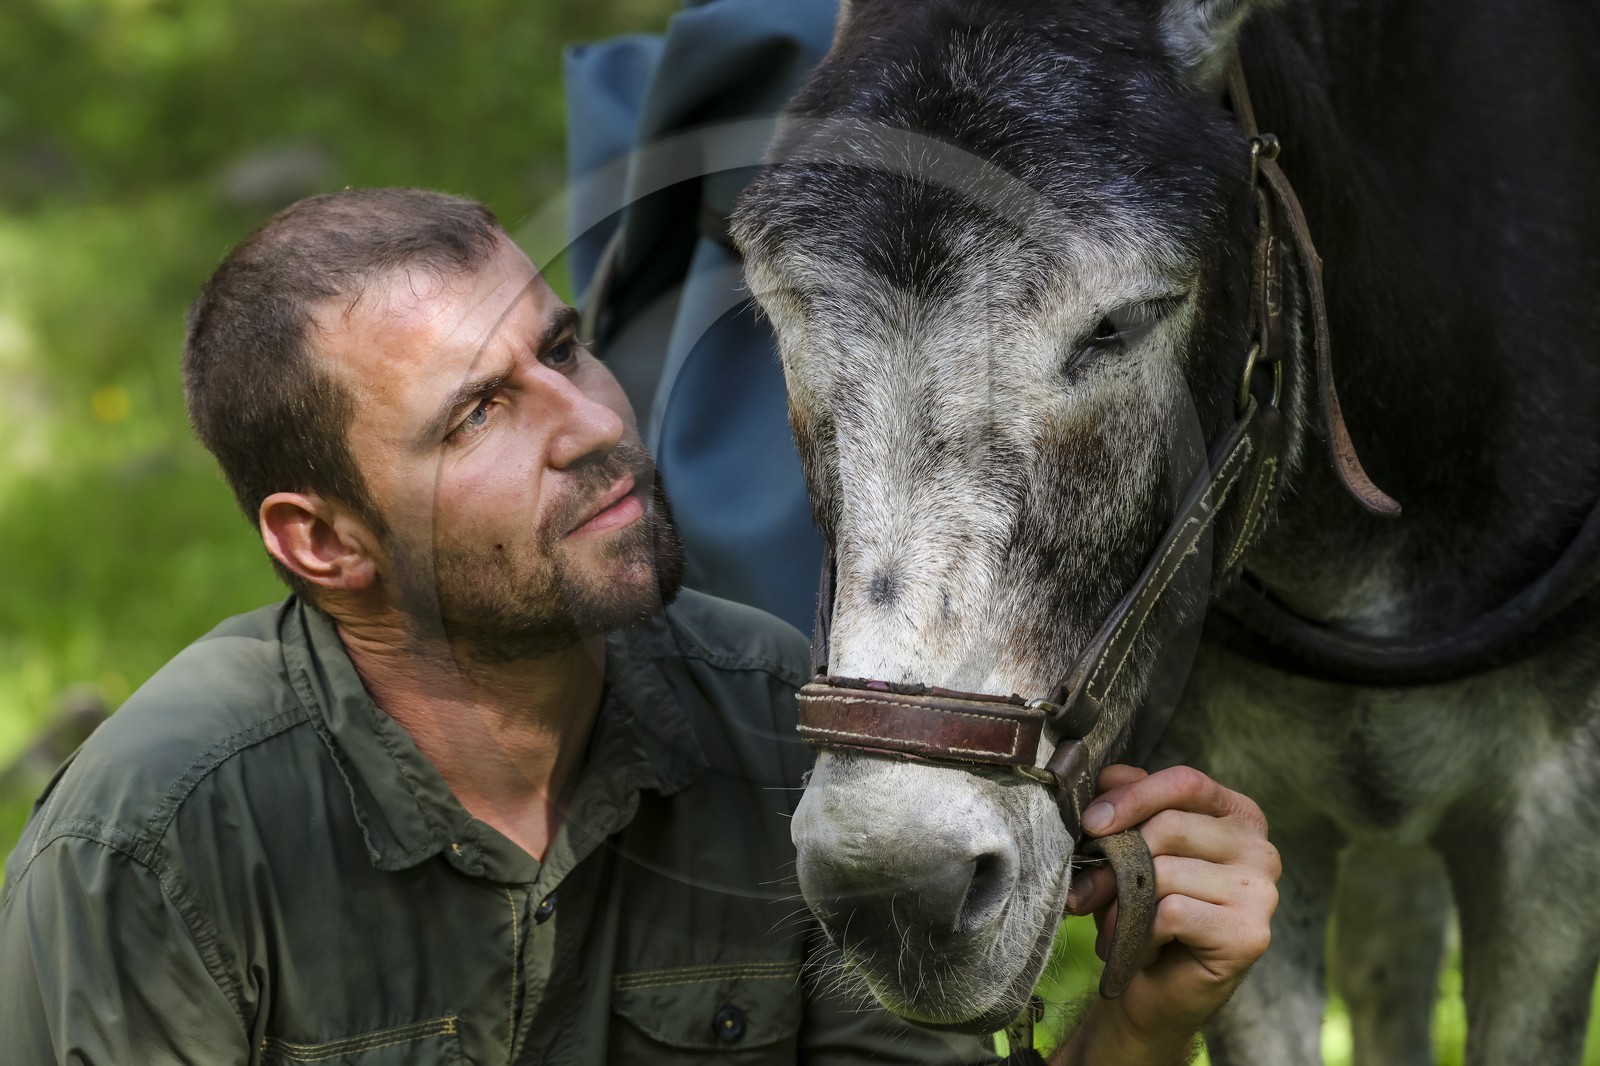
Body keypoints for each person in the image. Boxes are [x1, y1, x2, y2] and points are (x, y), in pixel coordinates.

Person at [0, 188, 1277, 1064]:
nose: (594, 423)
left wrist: (1141, 1021)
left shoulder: (786, 732)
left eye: (564, 347)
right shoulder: (152, 850)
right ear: (324, 541)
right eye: (478, 415)